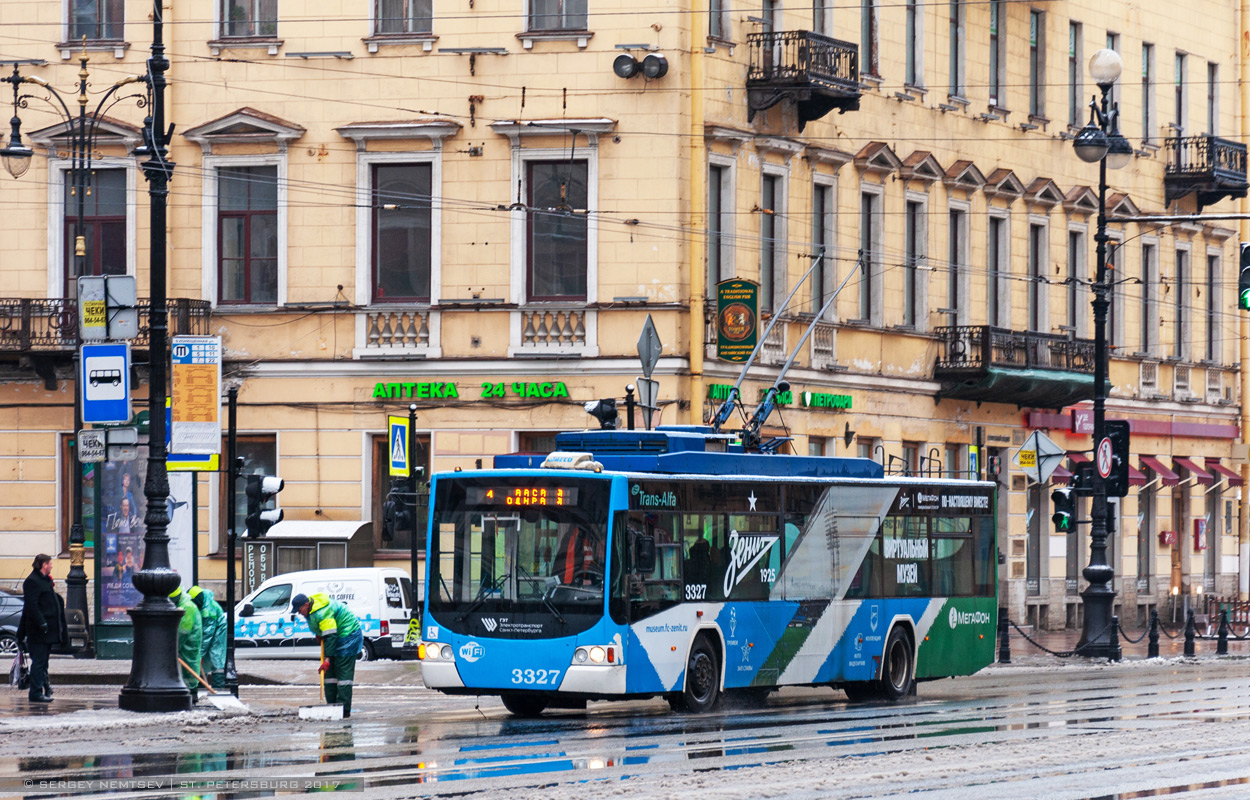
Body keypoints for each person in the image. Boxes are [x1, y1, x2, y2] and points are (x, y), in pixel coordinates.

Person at [292, 592, 363, 718]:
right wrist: (320, 633)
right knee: (329, 675)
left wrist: (327, 659)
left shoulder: (322, 611)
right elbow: (325, 630)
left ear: (306, 604)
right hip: (336, 636)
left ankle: (343, 709)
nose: (299, 613)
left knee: (343, 674)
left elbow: (330, 635)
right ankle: (332, 706)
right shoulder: (312, 611)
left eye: (300, 609)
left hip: (348, 635)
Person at [18, 554, 65, 703]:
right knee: (38, 662)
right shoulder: (32, 581)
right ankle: (36, 693)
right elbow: (31, 606)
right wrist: (42, 623)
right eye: (50, 563)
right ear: (44, 564)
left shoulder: (44, 581)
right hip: (38, 631)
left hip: (48, 631)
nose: (52, 566)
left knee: (43, 662)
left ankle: (43, 688)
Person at [188, 585, 227, 689]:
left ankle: (218, 686)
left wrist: (200, 654)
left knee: (216, 656)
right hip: (209, 628)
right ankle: (200, 684)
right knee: (203, 660)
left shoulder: (208, 612)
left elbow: (206, 636)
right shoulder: (201, 602)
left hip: (218, 630)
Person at [170, 586, 203, 695]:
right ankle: (190, 692)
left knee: (189, 669)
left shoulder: (187, 607)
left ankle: (191, 693)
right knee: (188, 669)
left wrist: (173, 648)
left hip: (189, 644)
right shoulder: (183, 604)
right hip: (187, 644)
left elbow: (183, 632)